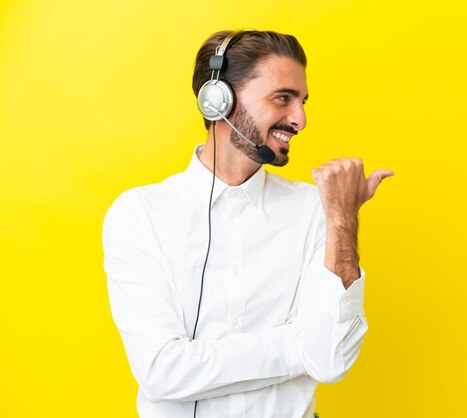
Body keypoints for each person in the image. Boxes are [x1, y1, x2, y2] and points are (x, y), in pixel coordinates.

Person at [103, 30, 393, 418]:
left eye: (303, 101)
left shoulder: (317, 209)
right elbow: (160, 371)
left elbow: (328, 360)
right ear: (217, 100)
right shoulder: (139, 215)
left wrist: (343, 218)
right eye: (283, 98)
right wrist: (298, 344)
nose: (301, 119)